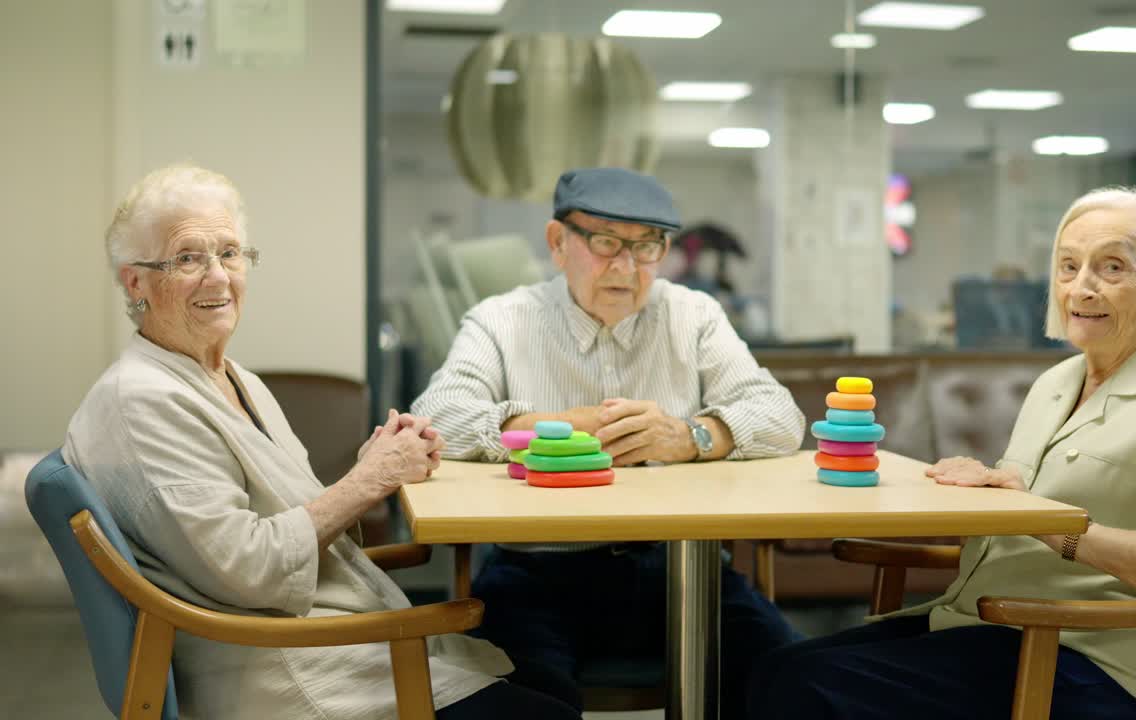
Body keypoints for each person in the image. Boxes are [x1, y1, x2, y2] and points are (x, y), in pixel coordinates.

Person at [63, 164, 579, 720]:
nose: (217, 277)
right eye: (188, 258)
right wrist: (370, 480)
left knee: (553, 681)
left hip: (334, 635)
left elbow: (286, 521)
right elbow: (250, 567)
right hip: (287, 669)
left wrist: (371, 467)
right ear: (134, 281)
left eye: (231, 253)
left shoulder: (233, 377)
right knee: (548, 704)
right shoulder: (142, 401)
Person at [747, 187, 1136, 719]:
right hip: (980, 625)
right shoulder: (1058, 381)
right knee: (764, 671)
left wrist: (1047, 523)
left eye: (1111, 267)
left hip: (1092, 655)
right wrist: (973, 490)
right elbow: (1018, 515)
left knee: (803, 687)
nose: (1080, 287)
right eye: (1068, 266)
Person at [412, 167, 806, 716]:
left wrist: (690, 435)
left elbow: (781, 416)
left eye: (647, 247)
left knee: (790, 679)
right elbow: (435, 417)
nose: (626, 267)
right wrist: (550, 426)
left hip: (683, 568)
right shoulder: (501, 319)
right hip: (538, 571)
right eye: (605, 243)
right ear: (557, 243)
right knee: (526, 702)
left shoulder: (693, 315)